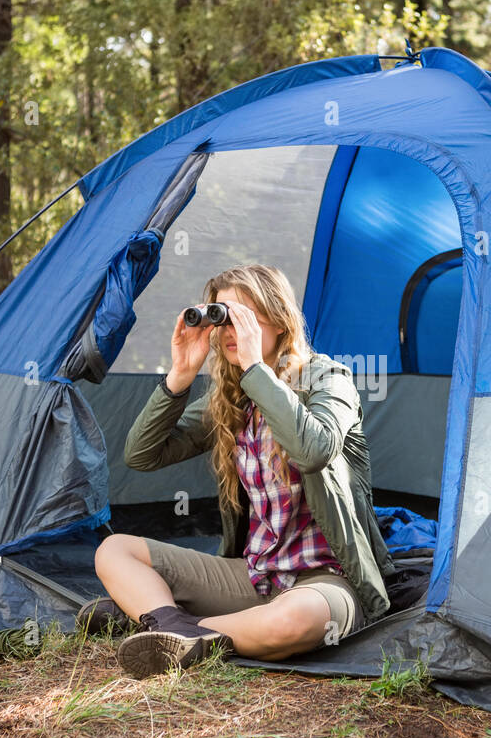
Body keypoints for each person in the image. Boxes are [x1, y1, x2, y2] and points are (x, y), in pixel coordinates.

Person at [84, 264, 396, 678]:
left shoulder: (327, 379)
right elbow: (142, 455)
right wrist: (180, 374)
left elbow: (313, 451)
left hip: (325, 579)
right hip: (255, 577)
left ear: (280, 321)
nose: (228, 330)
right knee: (113, 550)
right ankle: (175, 629)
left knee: (291, 621)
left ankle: (162, 624)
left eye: (242, 317)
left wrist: (255, 370)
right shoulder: (229, 400)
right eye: (219, 317)